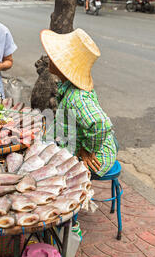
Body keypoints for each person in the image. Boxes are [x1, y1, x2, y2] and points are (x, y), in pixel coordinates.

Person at [40, 28, 118, 176]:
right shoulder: (67, 87)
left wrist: (88, 150)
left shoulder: (77, 97)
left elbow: (101, 123)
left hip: (95, 159)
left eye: (55, 56)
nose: (49, 57)